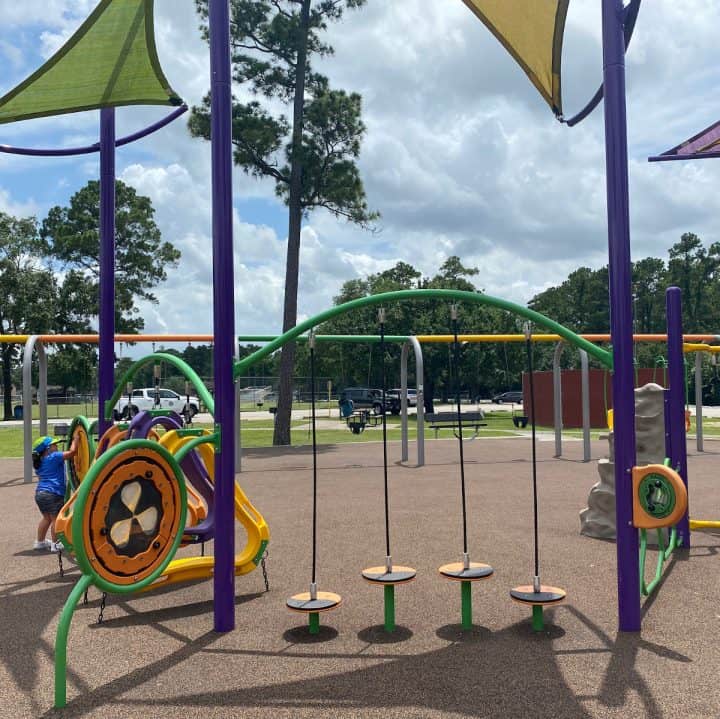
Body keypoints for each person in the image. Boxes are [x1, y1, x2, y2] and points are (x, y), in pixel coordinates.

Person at [32, 434, 78, 552]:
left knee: (46, 518)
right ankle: (55, 544)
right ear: (48, 449)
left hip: (40, 494)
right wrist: (76, 440)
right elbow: (72, 452)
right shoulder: (54, 457)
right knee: (55, 520)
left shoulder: (40, 463)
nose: (56, 446)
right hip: (53, 493)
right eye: (54, 445)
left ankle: (40, 542)